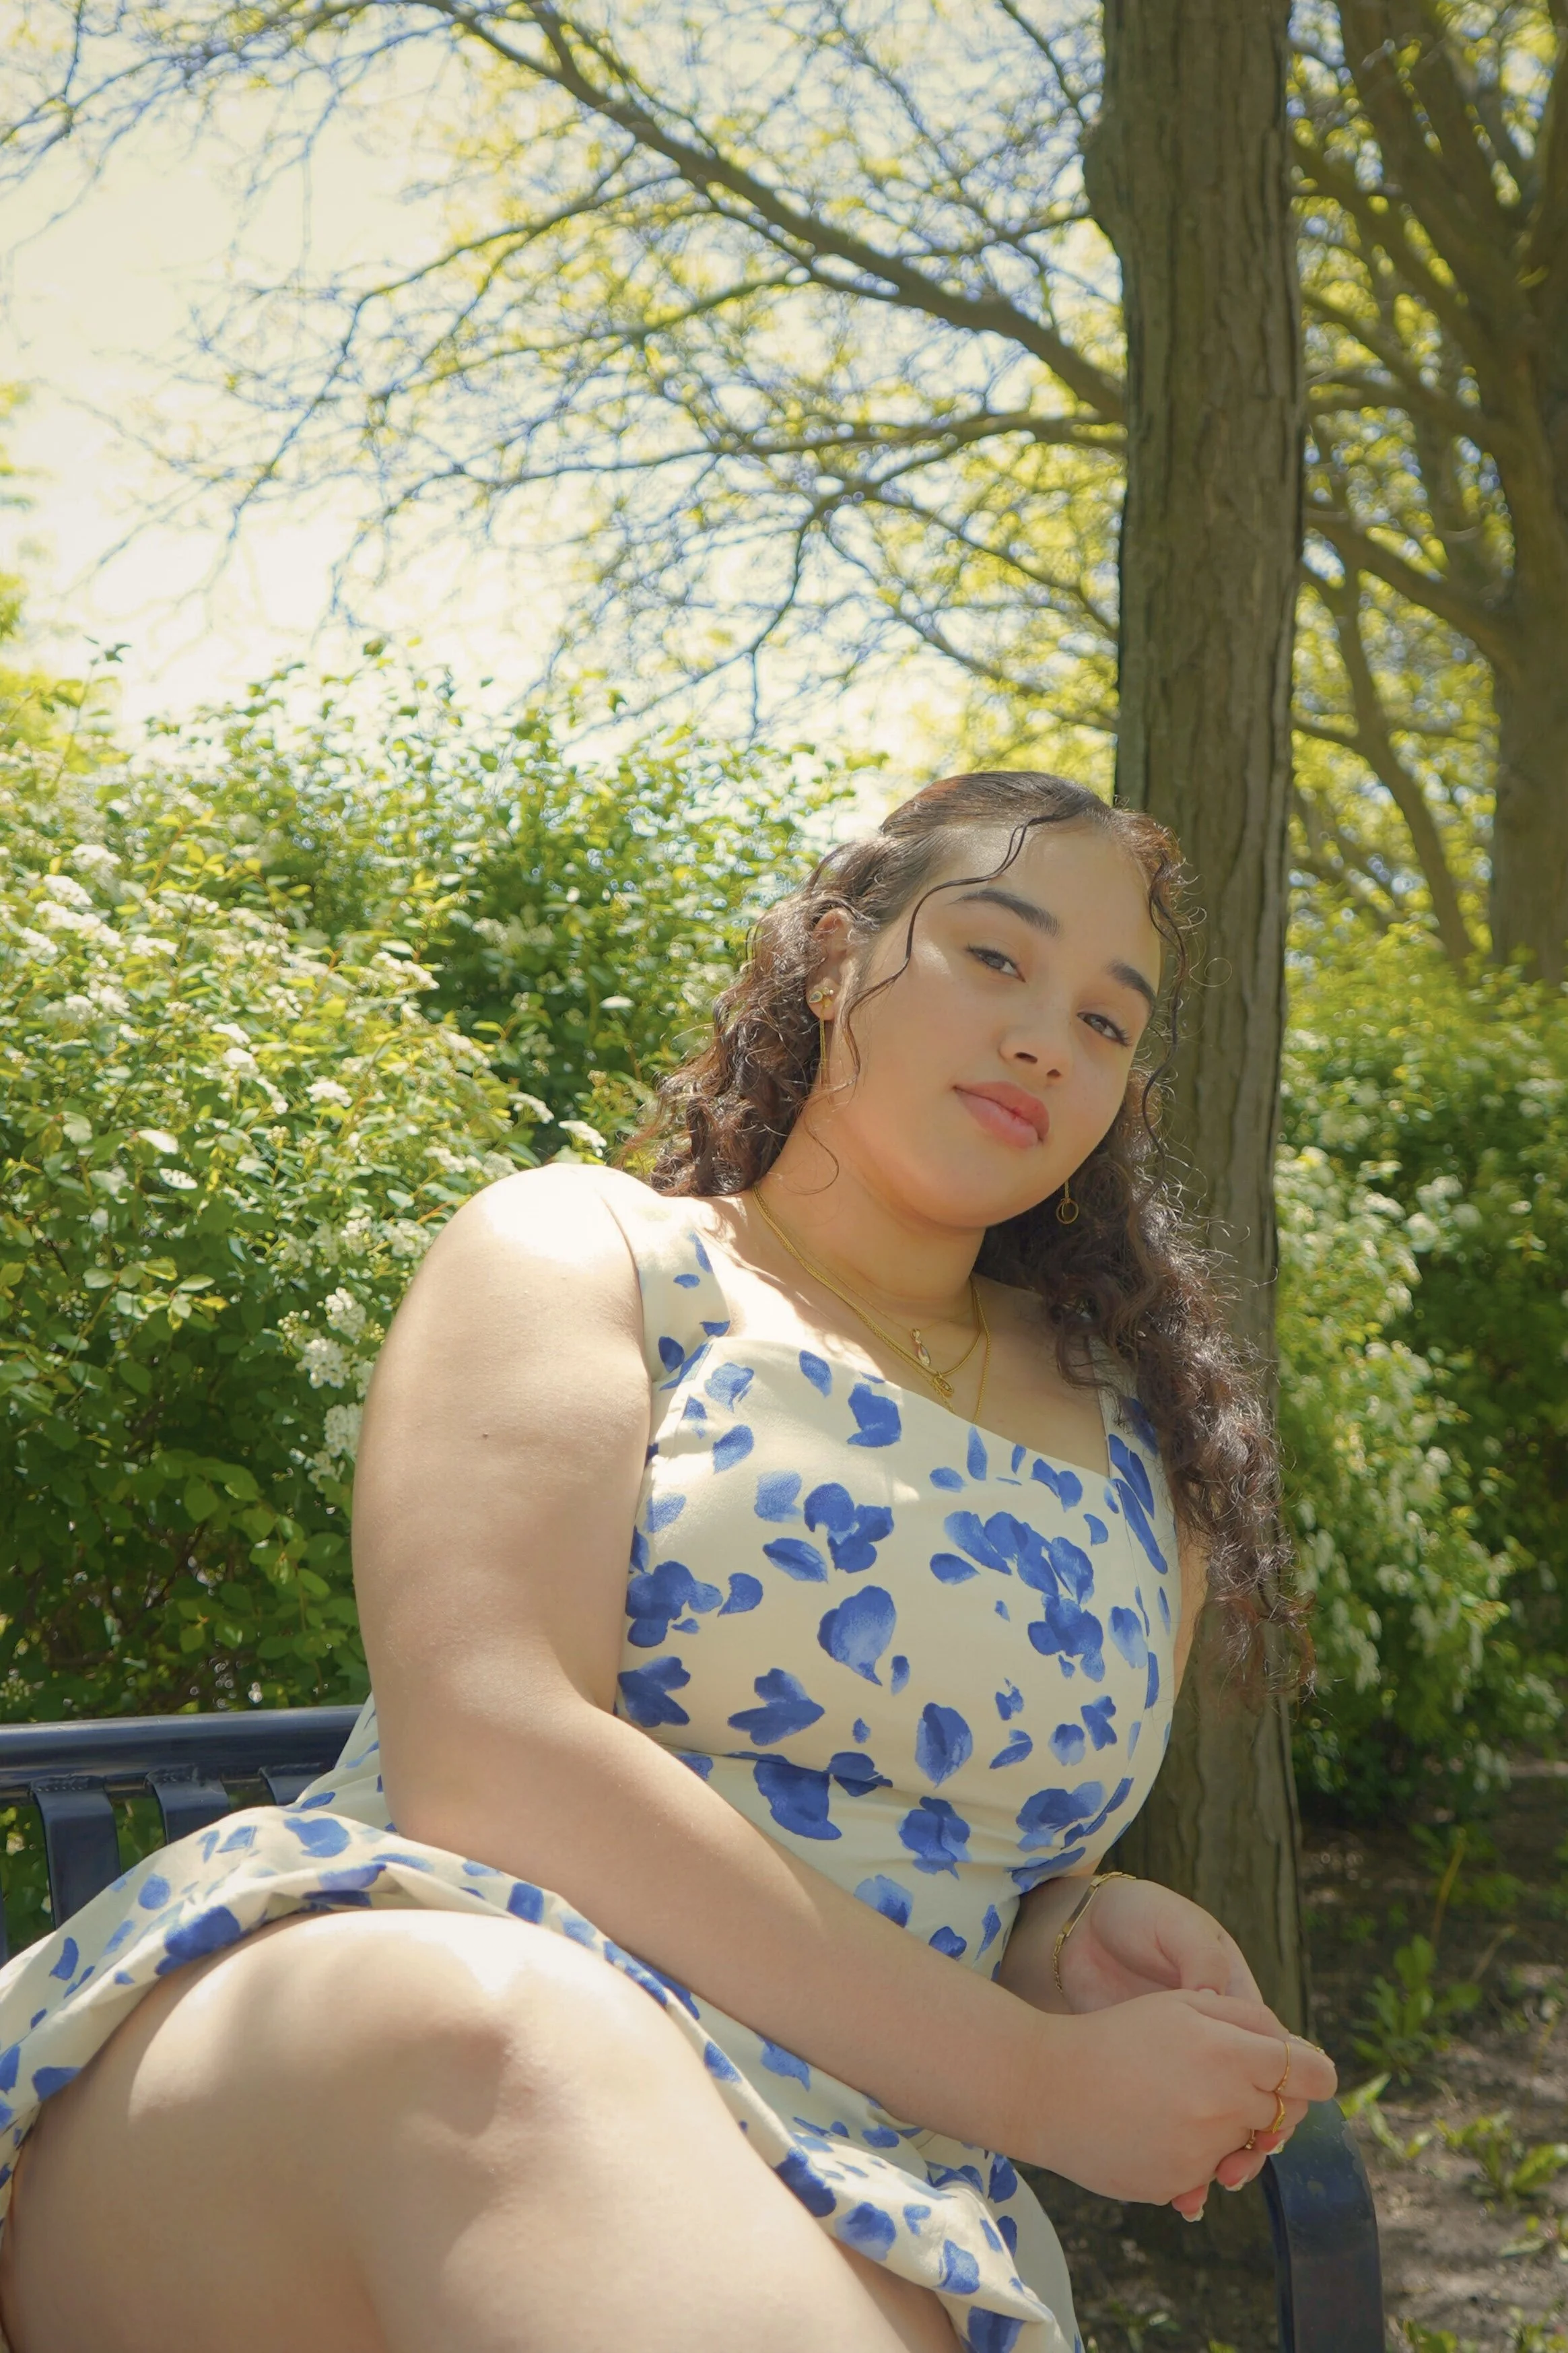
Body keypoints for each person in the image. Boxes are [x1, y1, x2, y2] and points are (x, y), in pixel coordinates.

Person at [0, 770, 1335, 2353]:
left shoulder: (1141, 1455)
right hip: (381, 2057)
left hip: (849, 2172)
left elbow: (946, 1865)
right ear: (836, 958)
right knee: (512, 2034)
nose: (1050, 1035)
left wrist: (1062, 1944)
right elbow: (493, 1760)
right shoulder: (589, 1254)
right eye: (994, 955)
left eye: (1109, 1023)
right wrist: (1035, 2080)